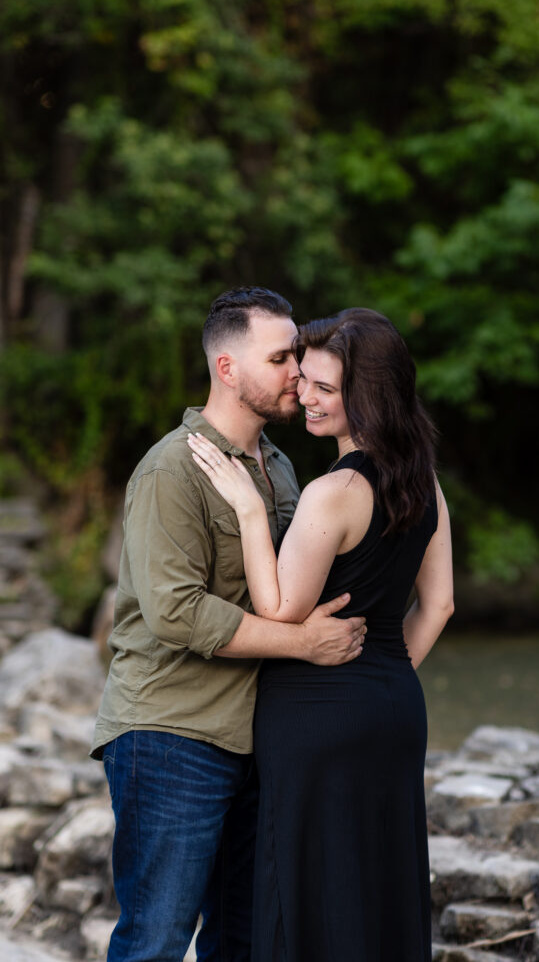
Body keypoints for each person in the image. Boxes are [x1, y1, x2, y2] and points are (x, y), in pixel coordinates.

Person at [91, 287, 366, 962]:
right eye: (280, 359)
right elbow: (177, 612)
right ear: (227, 369)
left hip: (257, 738)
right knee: (154, 939)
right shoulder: (171, 469)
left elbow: (291, 588)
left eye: (298, 357)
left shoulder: (279, 468)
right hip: (170, 734)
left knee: (243, 940)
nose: (297, 375)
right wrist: (304, 644)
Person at [188, 306, 454, 962]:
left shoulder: (332, 491)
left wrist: (251, 511)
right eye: (303, 379)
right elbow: (440, 605)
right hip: (394, 706)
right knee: (379, 882)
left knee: (305, 887)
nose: (303, 396)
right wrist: (383, 677)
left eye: (324, 390)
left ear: (369, 398)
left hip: (314, 714)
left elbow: (279, 609)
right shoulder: (424, 481)